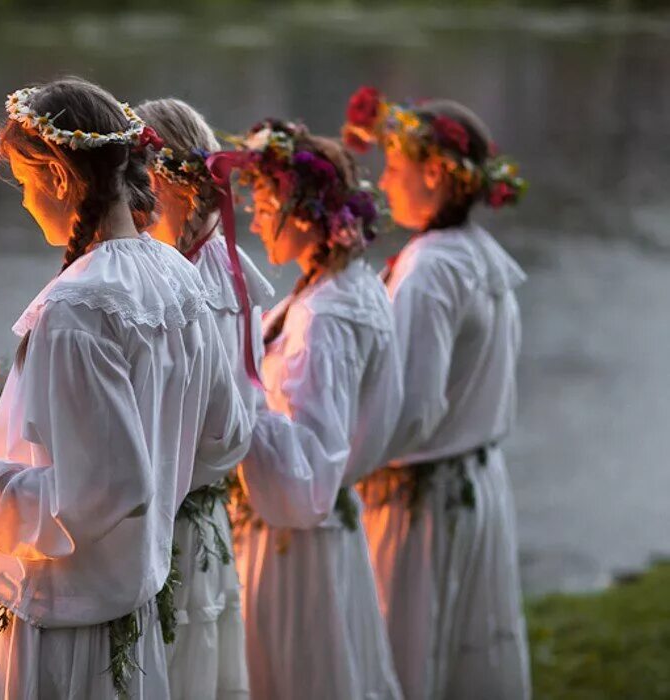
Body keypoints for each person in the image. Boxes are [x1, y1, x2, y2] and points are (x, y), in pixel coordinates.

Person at [0, 78, 252, 699]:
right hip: (130, 617)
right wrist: (154, 497)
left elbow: (102, 489)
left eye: (26, 184)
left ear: (58, 176)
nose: (26, 204)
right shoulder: (176, 274)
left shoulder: (77, 306)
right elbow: (227, 435)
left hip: (64, 629)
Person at [344, 87, 531, 700]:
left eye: (397, 167)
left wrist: (339, 468)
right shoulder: (484, 256)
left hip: (419, 504)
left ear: (434, 174)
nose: (386, 180)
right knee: (461, 658)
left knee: (406, 657)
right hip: (477, 485)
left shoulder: (429, 269)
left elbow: (413, 408)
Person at [230, 119, 404, 699]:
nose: (252, 221)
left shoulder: (323, 318)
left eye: (261, 204)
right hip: (327, 529)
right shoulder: (348, 286)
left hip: (296, 544)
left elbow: (307, 466)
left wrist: (232, 409)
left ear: (302, 212)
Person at [135, 97, 275, 700]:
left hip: (168, 516)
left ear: (159, 176)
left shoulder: (176, 275)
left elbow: (212, 415)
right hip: (205, 509)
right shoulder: (231, 264)